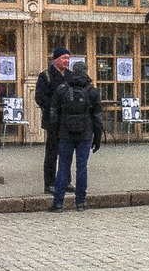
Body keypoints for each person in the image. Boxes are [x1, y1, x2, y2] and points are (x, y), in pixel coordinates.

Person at [48, 60, 103, 213]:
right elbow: (98, 117)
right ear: (85, 71)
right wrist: (97, 137)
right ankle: (80, 203)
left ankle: (58, 203)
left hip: (65, 134)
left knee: (63, 168)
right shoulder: (92, 90)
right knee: (81, 168)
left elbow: (53, 112)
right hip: (85, 134)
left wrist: (55, 132)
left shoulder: (62, 89)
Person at [35, 46, 71, 194]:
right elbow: (40, 97)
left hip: (68, 121)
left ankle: (66, 181)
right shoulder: (45, 76)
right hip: (53, 121)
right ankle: (49, 183)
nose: (67, 61)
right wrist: (54, 106)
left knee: (66, 152)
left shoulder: (71, 75)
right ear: (56, 59)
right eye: (64, 58)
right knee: (52, 152)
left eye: (68, 58)